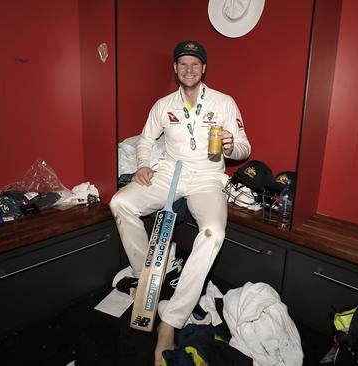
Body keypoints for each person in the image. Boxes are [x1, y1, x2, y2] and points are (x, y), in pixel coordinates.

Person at [109, 40, 251, 365]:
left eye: (195, 64)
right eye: (183, 64)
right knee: (120, 203)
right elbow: (146, 139)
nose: (189, 69)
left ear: (204, 68)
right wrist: (143, 164)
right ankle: (147, 275)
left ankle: (171, 320)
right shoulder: (162, 105)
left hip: (207, 177)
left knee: (214, 231)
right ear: (175, 69)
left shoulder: (224, 102)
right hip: (169, 173)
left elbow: (244, 147)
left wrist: (231, 147)